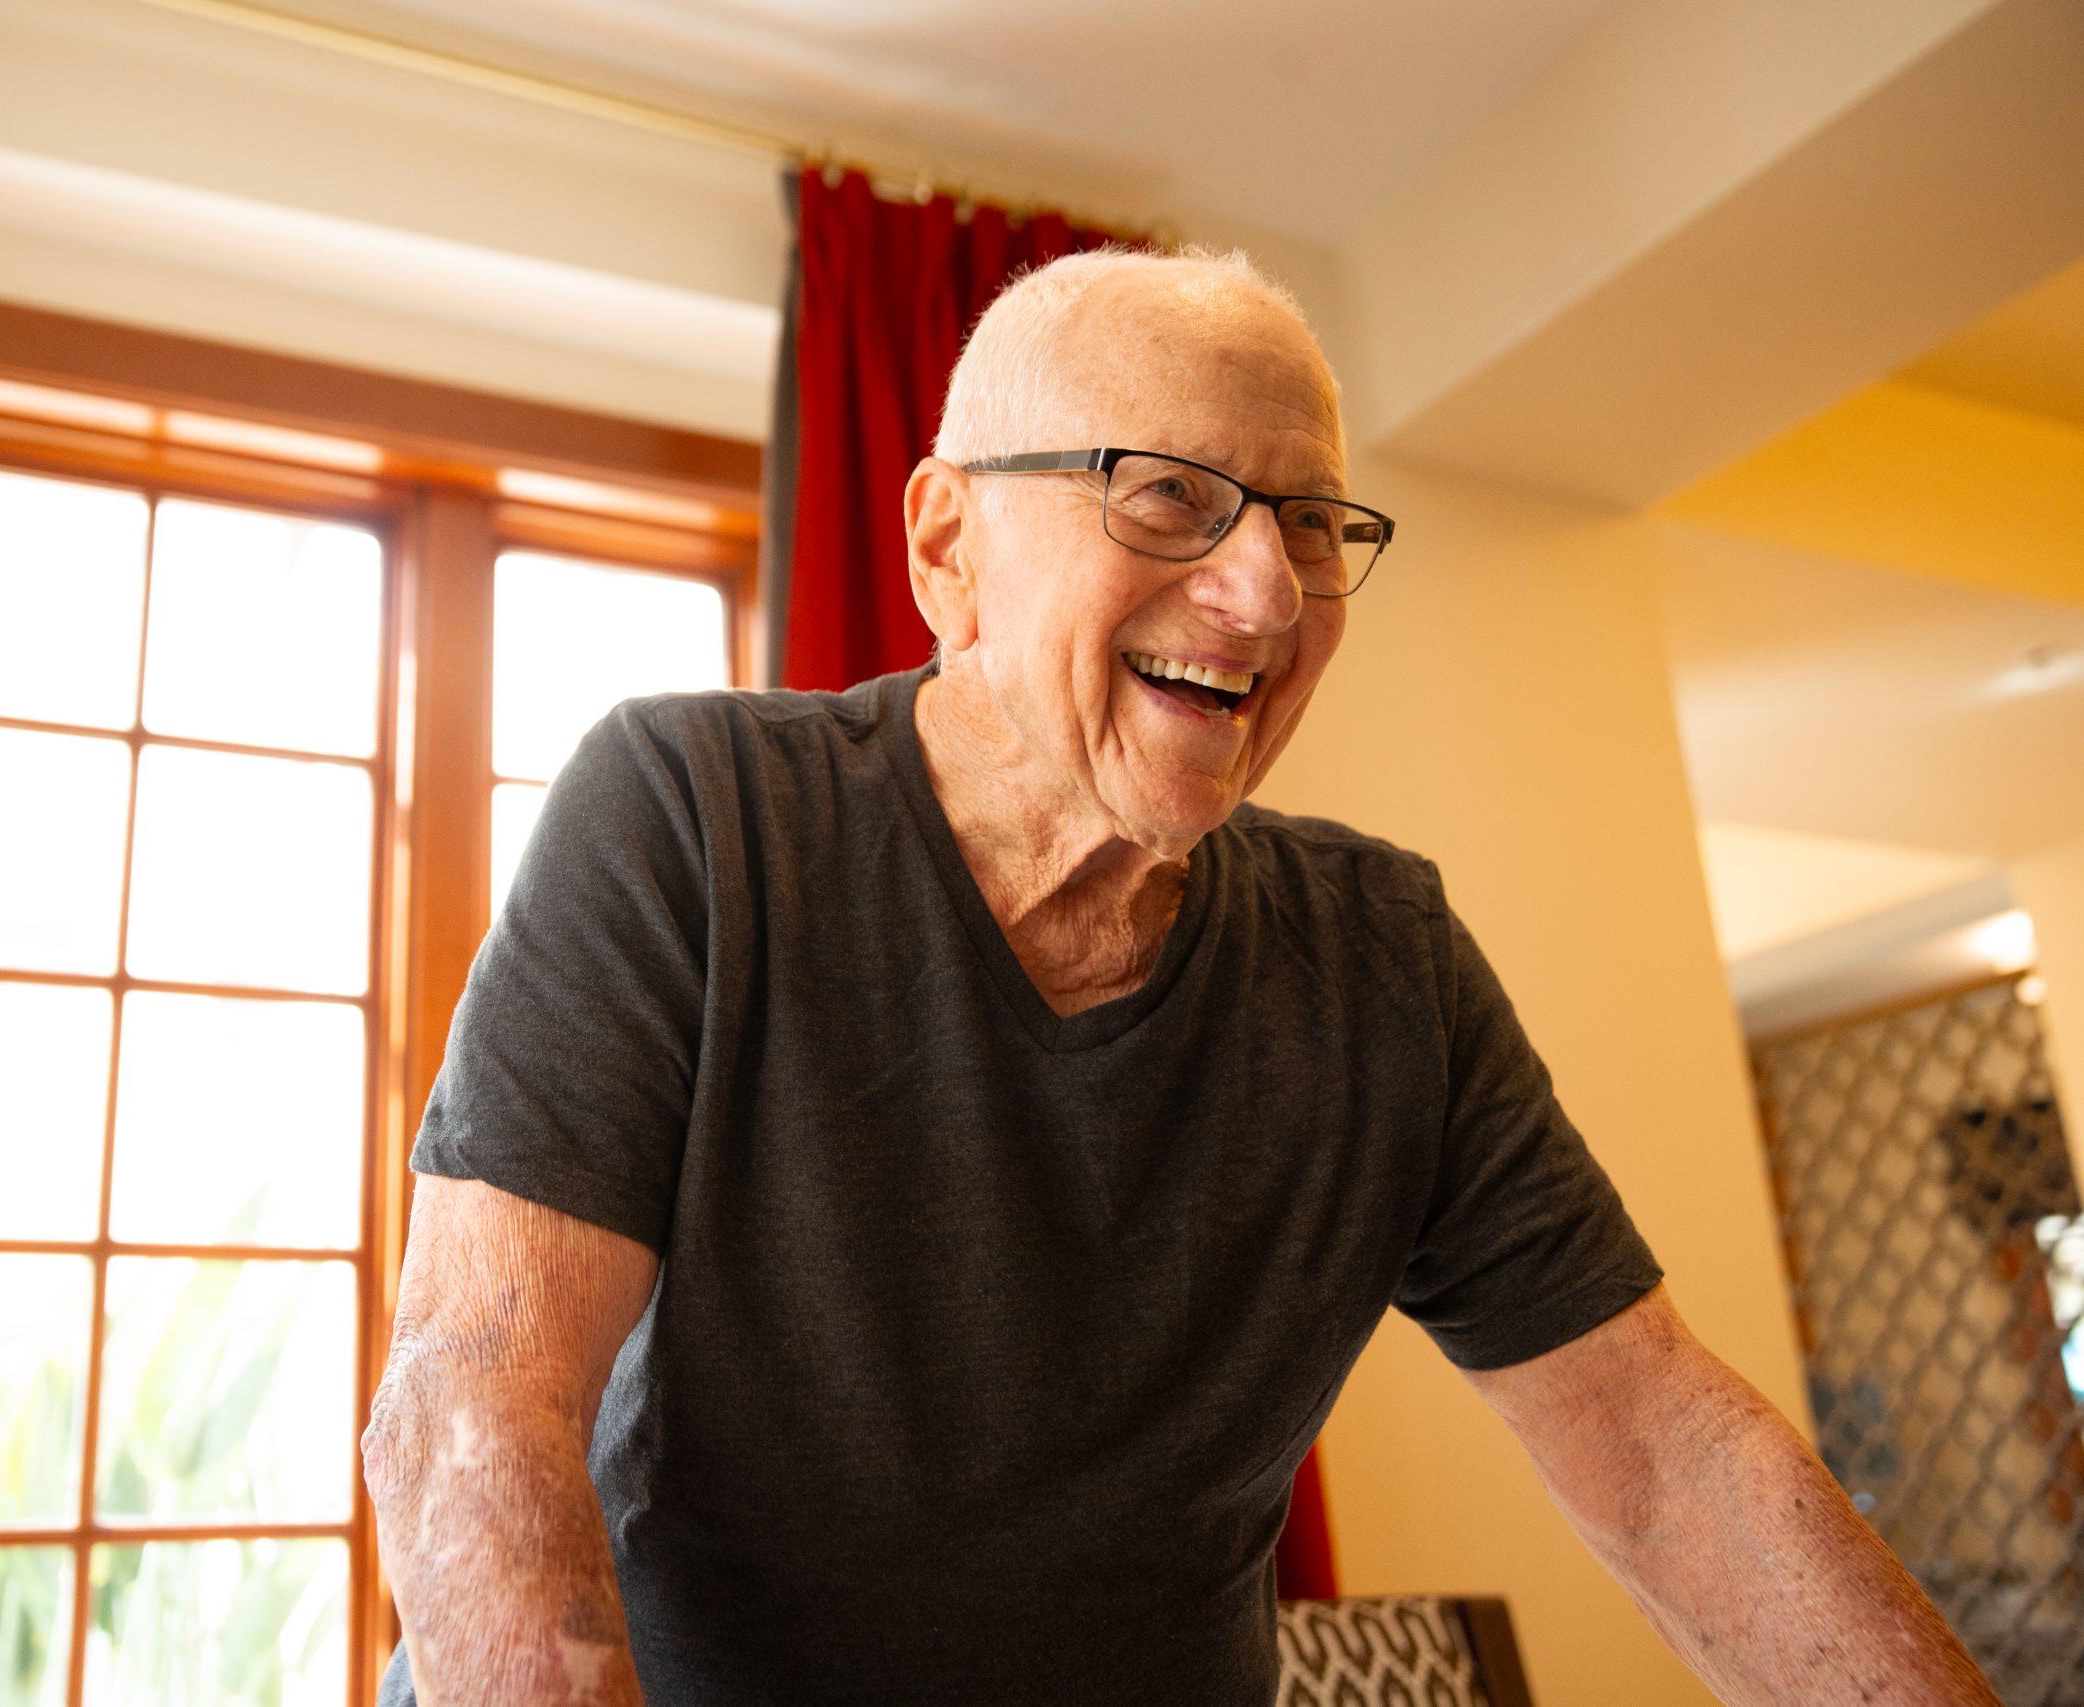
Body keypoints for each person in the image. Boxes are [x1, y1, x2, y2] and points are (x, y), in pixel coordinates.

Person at [363, 248, 1998, 1707]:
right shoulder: (692, 820)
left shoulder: (1385, 966)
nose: (1269, 591)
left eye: (1309, 520)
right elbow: (473, 1405)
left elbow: (1664, 1455)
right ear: (951, 545)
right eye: (1167, 496)